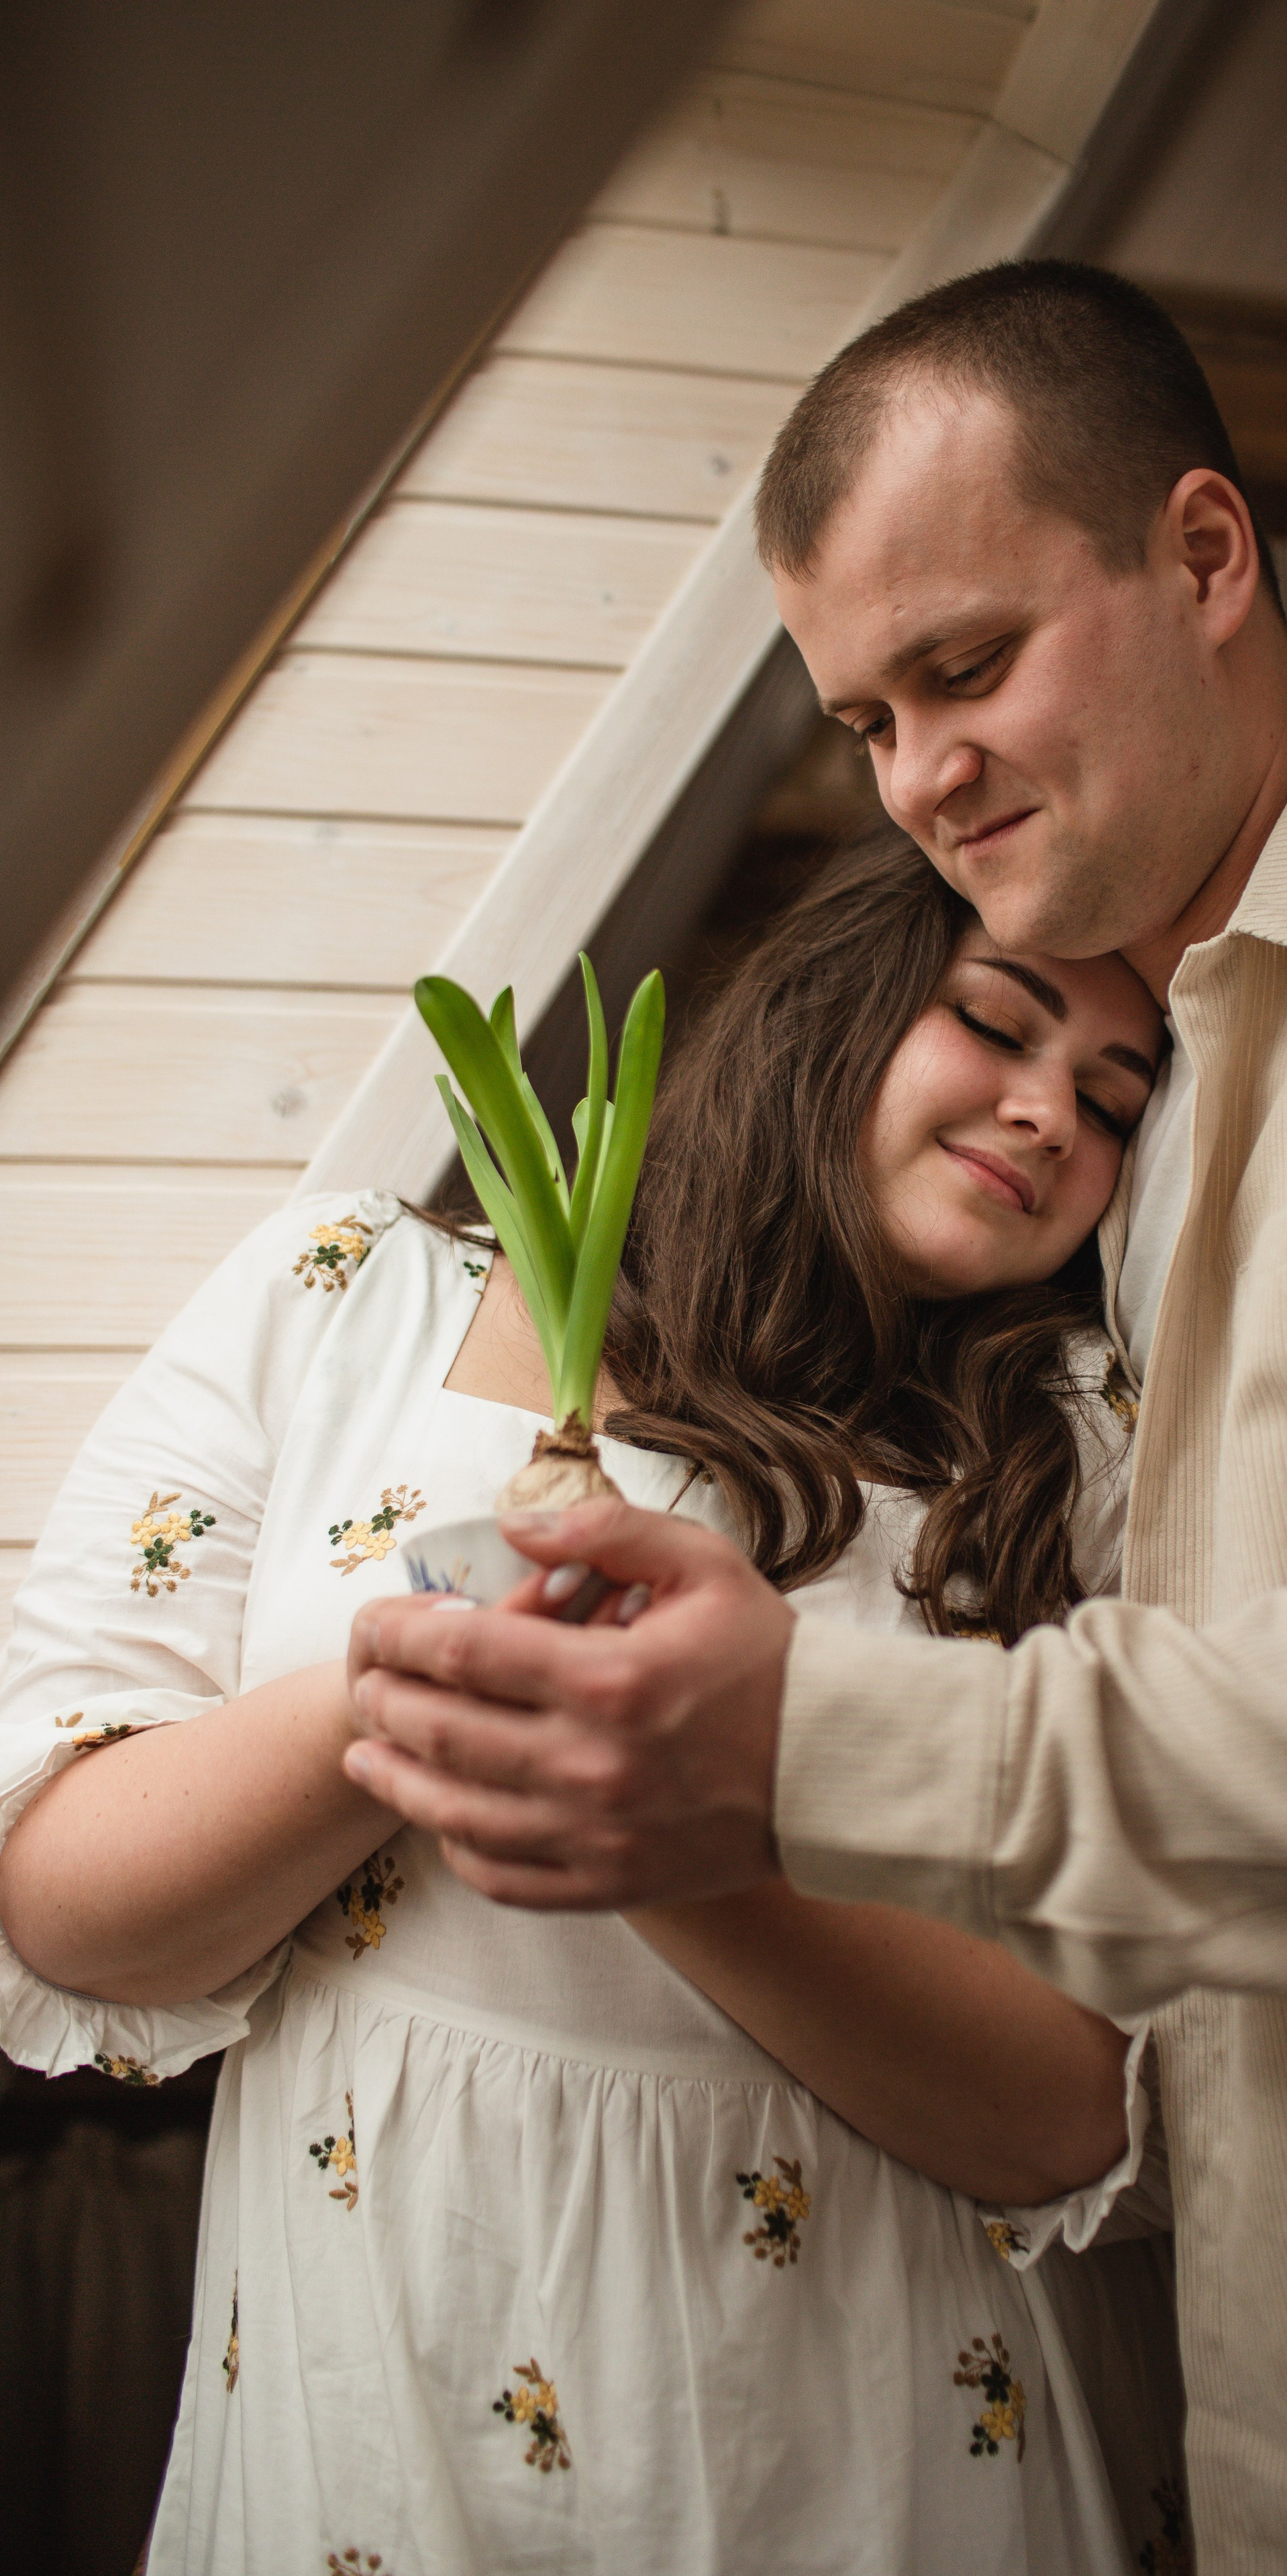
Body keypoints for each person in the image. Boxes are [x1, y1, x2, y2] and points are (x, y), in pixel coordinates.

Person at [327, 261, 1287, 2572]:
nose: (916, 779)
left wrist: (820, 1739)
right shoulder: (1125, 1148)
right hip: (1279, 2474)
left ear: (1205, 554)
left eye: (966, 667)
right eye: (867, 718)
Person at [0, 833, 1185, 2573]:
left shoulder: (1076, 1451)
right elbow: (65, 1904)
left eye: (1113, 1101)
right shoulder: (346, 1297)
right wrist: (413, 1673)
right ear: (830, 1014)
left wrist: (675, 1835)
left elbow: (1088, 2114)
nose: (1048, 1114)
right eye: (996, 1026)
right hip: (388, 2364)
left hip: (880, 2414)